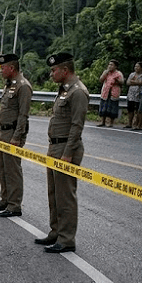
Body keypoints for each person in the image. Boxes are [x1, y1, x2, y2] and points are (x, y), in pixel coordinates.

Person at [37, 52, 88, 253]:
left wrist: (67, 153)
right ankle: (55, 231)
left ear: (65, 70)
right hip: (55, 146)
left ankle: (67, 239)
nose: (51, 74)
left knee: (65, 195)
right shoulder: (64, 90)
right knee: (54, 193)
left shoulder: (78, 92)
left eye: (54, 70)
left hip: (67, 149)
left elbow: (77, 126)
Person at [0, 54, 32, 218]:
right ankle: (5, 199)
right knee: (2, 168)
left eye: (3, 67)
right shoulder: (9, 84)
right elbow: (5, 111)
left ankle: (14, 205)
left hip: (13, 133)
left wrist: (17, 137)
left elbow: (23, 115)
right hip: (3, 132)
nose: (0, 70)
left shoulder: (23, 86)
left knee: (12, 170)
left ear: (11, 68)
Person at [96, 60, 124, 127]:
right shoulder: (106, 72)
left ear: (115, 67)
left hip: (113, 92)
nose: (110, 66)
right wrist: (105, 73)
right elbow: (101, 80)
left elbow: (122, 82)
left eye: (112, 65)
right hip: (106, 91)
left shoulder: (118, 73)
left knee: (112, 107)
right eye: (109, 64)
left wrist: (117, 80)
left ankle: (111, 122)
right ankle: (102, 121)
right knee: (104, 106)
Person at [124, 62, 142, 129]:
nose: (136, 68)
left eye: (138, 66)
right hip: (131, 95)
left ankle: (138, 124)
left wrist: (133, 82)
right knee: (130, 110)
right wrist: (136, 82)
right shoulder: (132, 74)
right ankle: (129, 123)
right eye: (135, 66)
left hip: (139, 95)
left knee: (138, 110)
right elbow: (128, 82)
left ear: (141, 68)